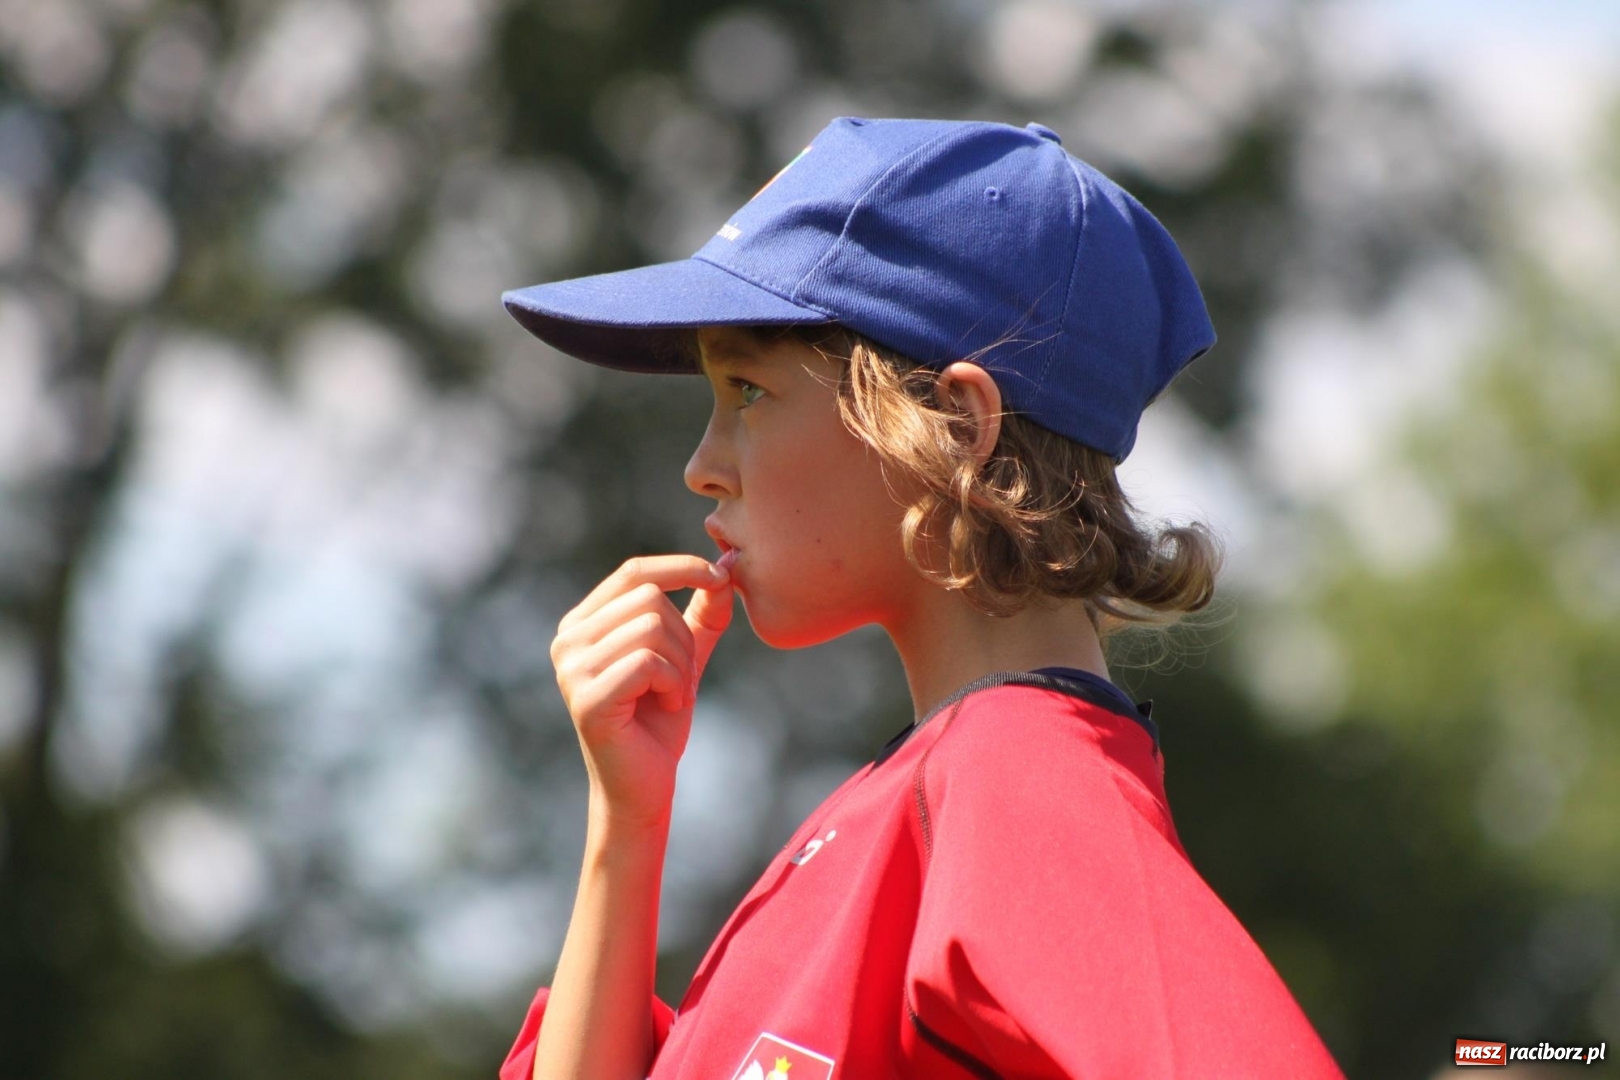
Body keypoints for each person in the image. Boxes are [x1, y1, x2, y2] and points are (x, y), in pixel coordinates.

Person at [496, 117, 1346, 1079]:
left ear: (955, 424)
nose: (702, 467)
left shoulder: (1018, 779)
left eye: (749, 391)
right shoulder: (909, 802)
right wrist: (628, 824)